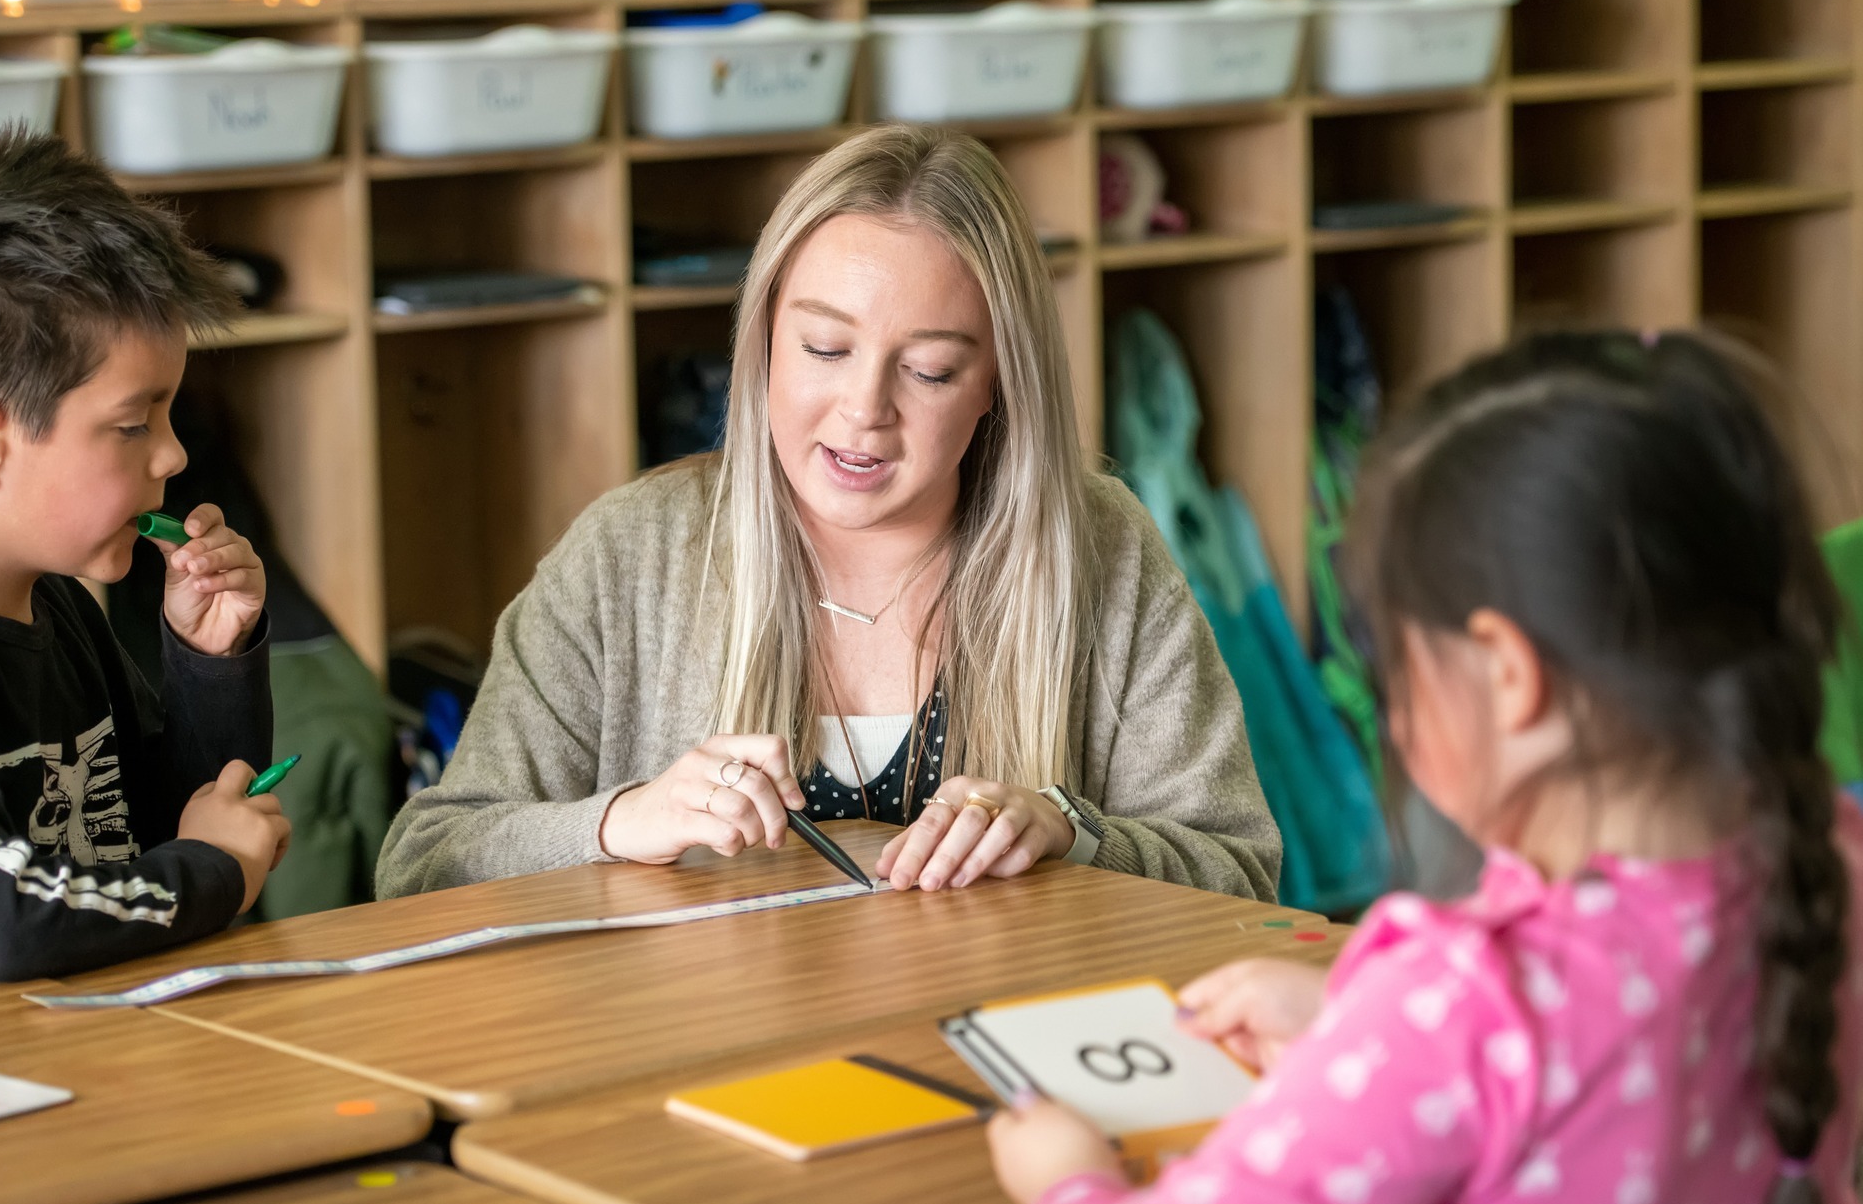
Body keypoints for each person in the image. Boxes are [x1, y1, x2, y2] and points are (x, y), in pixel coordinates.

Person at [985, 330, 1863, 1204]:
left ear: (1507, 676)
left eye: (1397, 659)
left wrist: (1069, 1187)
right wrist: (1357, 1018)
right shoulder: (1828, 866)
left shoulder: (1463, 1008)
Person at [378, 124, 1278, 899]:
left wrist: (1071, 833)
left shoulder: (1101, 546)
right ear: (763, 340)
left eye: (928, 370)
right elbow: (423, 864)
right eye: (824, 348)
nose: (864, 409)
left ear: (1000, 383)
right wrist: (619, 822)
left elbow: (1241, 871)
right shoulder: (629, 554)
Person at [0, 130, 290, 993]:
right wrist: (215, 872)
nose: (175, 456)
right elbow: (4, 919)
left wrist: (209, 662)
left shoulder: (58, 609)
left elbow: (164, 826)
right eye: (134, 422)